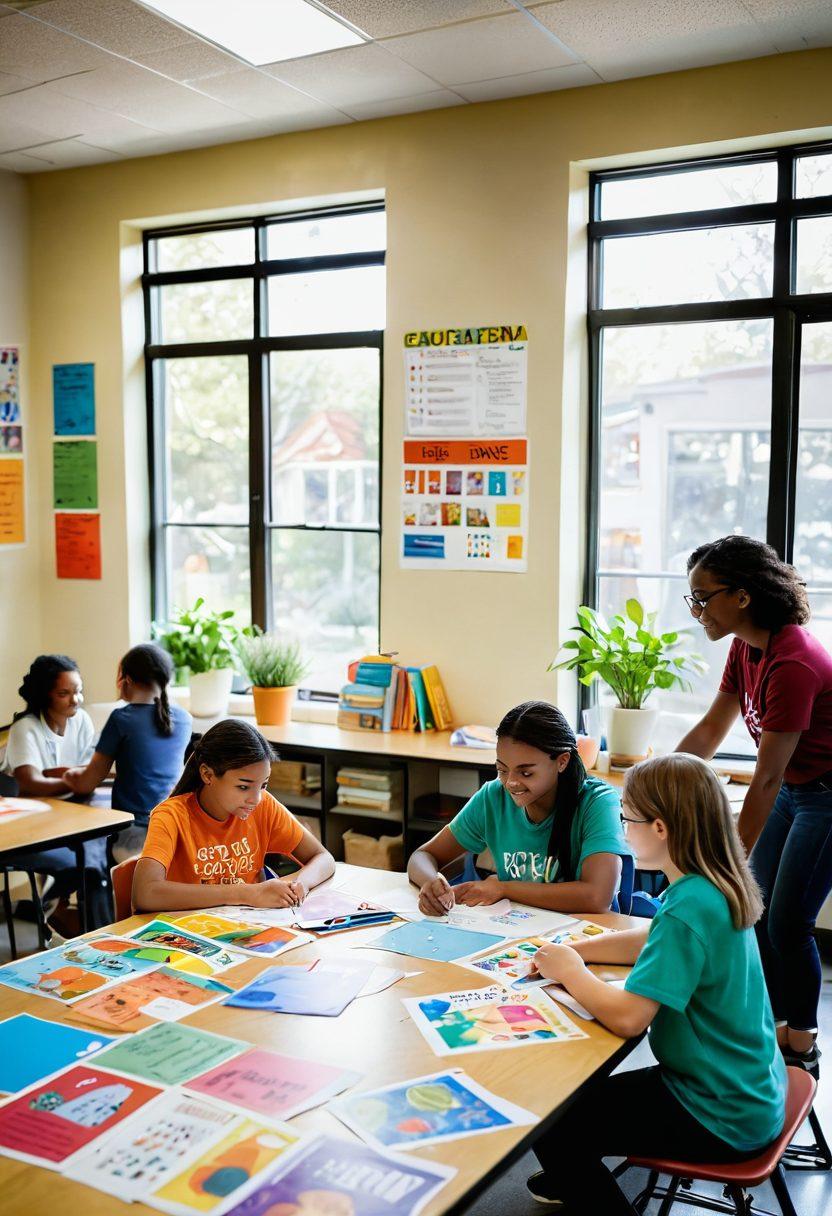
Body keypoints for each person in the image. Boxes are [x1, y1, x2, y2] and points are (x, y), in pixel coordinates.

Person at [525, 753, 787, 1215]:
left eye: (627, 819)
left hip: (717, 1111)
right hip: (750, 1089)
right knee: (578, 1111)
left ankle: (576, 1173)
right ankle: (574, 1171)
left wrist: (570, 971)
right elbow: (653, 936)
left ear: (661, 828)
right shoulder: (712, 884)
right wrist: (577, 950)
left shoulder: (689, 908)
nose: (623, 829)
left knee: (551, 1123)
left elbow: (629, 1018)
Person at [676, 534, 832, 1072]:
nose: (697, 611)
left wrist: (730, 863)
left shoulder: (794, 664)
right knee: (759, 912)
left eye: (703, 597)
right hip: (796, 788)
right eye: (691, 599)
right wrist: (658, 778)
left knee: (789, 921)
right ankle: (773, 1028)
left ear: (741, 596)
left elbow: (764, 779)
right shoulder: (746, 646)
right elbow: (712, 729)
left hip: (826, 798)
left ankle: (802, 1047)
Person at [407, 701, 627, 916]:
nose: (511, 782)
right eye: (502, 770)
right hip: (520, 936)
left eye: (526, 772)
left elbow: (597, 897)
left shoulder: (597, 802)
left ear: (562, 761)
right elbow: (422, 855)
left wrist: (503, 887)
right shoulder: (493, 797)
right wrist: (431, 882)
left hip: (585, 939)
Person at [132, 718, 335, 912]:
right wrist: (245, 893)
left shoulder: (264, 806)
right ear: (207, 775)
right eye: (243, 786)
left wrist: (298, 884)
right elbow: (145, 893)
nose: (255, 798)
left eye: (263, 785)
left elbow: (323, 857)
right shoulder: (171, 816)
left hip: (246, 928)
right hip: (188, 933)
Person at [3, 654, 110, 929]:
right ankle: (59, 912)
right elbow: (30, 783)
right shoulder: (25, 728)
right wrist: (78, 779)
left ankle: (67, 915)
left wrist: (64, 777)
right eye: (64, 693)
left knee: (99, 861)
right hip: (29, 829)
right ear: (45, 695)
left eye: (78, 691)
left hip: (70, 817)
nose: (75, 699)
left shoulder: (82, 720)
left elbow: (88, 773)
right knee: (88, 865)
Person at [63, 643, 192, 862]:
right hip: (175, 828)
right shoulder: (184, 719)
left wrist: (69, 775)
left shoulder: (121, 719)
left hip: (133, 833)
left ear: (126, 679)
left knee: (89, 847)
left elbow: (88, 782)